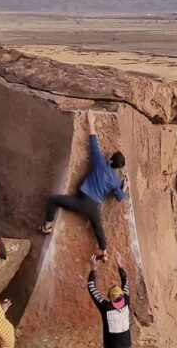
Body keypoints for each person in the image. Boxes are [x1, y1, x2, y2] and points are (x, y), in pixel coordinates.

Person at [40, 110, 128, 260]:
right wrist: (125, 185)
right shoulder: (115, 180)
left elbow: (93, 142)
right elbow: (120, 197)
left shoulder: (101, 163)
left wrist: (91, 122)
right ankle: (104, 252)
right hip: (94, 207)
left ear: (111, 159)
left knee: (52, 200)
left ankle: (47, 226)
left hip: (82, 200)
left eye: (111, 155)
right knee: (98, 228)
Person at [87, 252, 131, 348]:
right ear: (122, 297)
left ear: (110, 299)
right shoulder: (126, 303)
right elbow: (126, 282)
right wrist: (120, 264)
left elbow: (91, 288)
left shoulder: (106, 308)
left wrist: (93, 268)